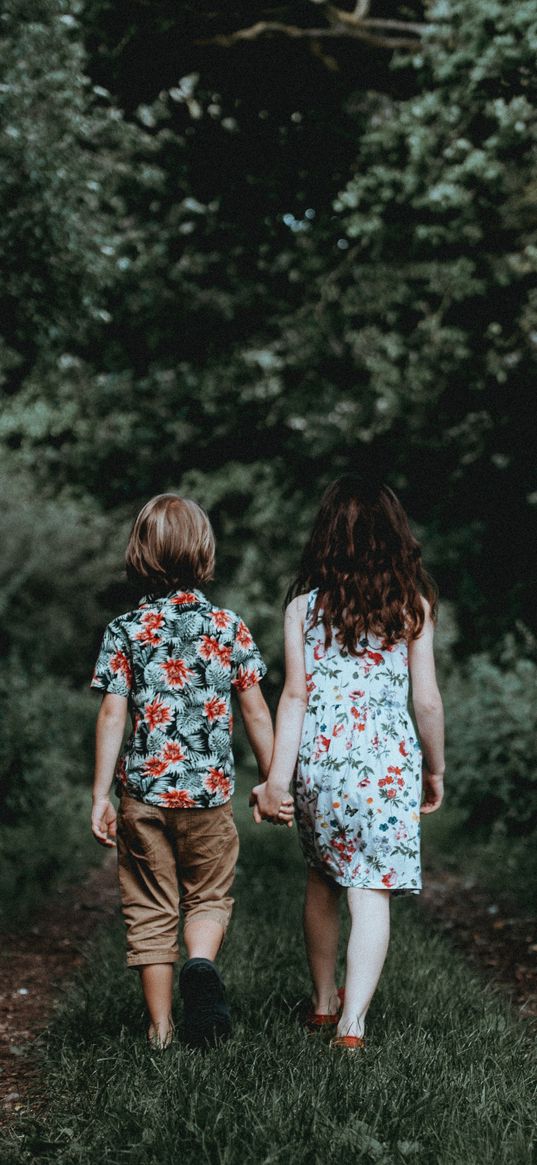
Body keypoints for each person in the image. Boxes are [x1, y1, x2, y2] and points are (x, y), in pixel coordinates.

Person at [251, 474, 445, 1050]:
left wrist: (277, 781)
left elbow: (293, 696)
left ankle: (321, 1001)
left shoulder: (304, 609)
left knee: (322, 879)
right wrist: (435, 768)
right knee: (371, 890)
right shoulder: (413, 606)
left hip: (321, 762)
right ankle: (352, 1025)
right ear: (395, 536)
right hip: (385, 763)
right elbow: (426, 699)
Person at [90, 493, 282, 1049]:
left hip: (144, 796)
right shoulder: (227, 626)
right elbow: (255, 710)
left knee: (149, 907)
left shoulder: (125, 629)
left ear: (140, 553)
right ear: (204, 550)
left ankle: (160, 1029)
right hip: (209, 796)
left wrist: (101, 793)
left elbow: (112, 713)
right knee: (207, 896)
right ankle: (200, 963)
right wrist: (271, 782)